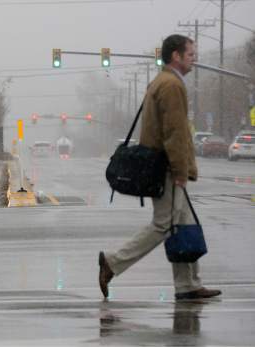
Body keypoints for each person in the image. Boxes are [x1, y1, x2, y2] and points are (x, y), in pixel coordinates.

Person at [98, 35, 221, 301]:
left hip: (163, 165)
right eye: (190, 53)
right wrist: (179, 170)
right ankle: (113, 262)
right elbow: (174, 132)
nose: (194, 58)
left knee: (184, 224)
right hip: (167, 168)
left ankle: (188, 284)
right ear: (176, 56)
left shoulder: (161, 81)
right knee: (164, 225)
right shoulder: (172, 85)